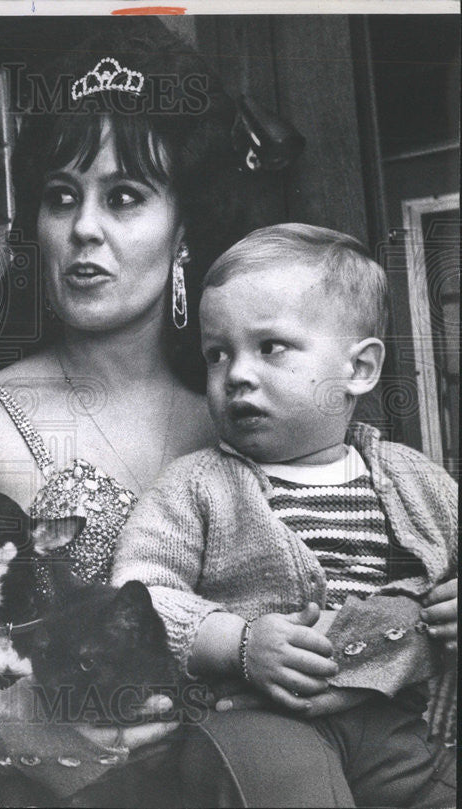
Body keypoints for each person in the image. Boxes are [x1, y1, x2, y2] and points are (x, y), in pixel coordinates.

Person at [0, 21, 245, 806]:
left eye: (124, 197)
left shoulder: (240, 423)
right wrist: (17, 736)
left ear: (182, 232)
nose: (85, 227)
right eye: (61, 197)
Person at [112, 223, 458, 807]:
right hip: (256, 720)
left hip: (394, 720)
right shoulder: (198, 485)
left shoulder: (414, 479)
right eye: (217, 354)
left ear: (361, 369)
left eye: (270, 347)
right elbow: (136, 594)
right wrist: (239, 643)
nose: (237, 374)